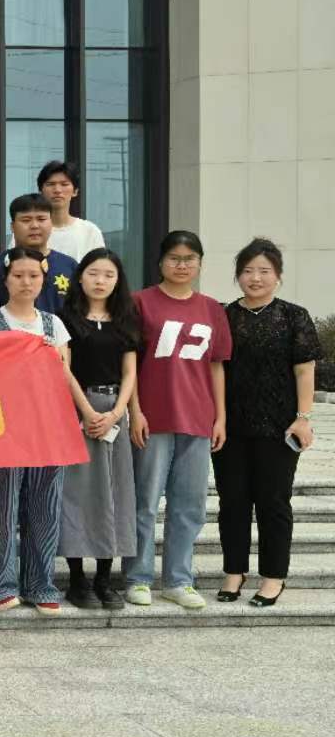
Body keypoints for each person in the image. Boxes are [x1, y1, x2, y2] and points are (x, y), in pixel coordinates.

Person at [126, 230, 230, 611]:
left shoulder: (212, 309)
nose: (182, 265)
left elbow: (216, 366)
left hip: (198, 418)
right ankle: (137, 578)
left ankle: (178, 580)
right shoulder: (140, 302)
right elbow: (129, 363)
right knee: (145, 503)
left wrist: (220, 417)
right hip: (153, 418)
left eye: (190, 259)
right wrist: (135, 411)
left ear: (200, 264)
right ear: (161, 262)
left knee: (189, 506)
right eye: (174, 258)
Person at [215, 237, 318, 607]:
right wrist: (217, 418)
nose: (255, 278)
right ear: (237, 275)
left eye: (264, 271)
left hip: (279, 427)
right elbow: (215, 370)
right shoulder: (224, 316)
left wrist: (303, 418)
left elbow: (304, 371)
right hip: (231, 426)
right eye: (247, 271)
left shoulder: (294, 316)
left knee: (274, 502)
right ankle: (234, 571)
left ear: (278, 276)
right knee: (232, 501)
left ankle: (274, 577)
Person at [0, 248, 73, 615]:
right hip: (2, 428)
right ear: (6, 279)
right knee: (1, 509)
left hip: (46, 427)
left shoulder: (54, 324)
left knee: (44, 508)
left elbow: (64, 373)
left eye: (33, 276)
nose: (26, 282)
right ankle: (0, 586)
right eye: (18, 275)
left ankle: (40, 584)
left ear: (43, 280)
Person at [59, 248, 140, 611]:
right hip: (77, 410)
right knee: (77, 493)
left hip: (114, 412)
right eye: (93, 273)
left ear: (118, 280)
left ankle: (105, 579)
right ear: (80, 277)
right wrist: (88, 411)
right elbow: (64, 369)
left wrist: (117, 413)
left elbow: (130, 373)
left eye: (108, 275)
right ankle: (77, 580)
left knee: (115, 493)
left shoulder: (126, 319)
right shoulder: (66, 319)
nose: (100, 281)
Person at [0, 194, 77, 314]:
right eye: (26, 220)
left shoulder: (69, 266)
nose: (34, 226)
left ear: (51, 223)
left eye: (41, 219)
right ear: (12, 226)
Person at [34, 161, 105, 261]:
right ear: (40, 191)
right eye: (50, 184)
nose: (57, 190)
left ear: (75, 191)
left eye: (64, 184)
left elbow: (99, 267)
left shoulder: (90, 232)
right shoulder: (30, 230)